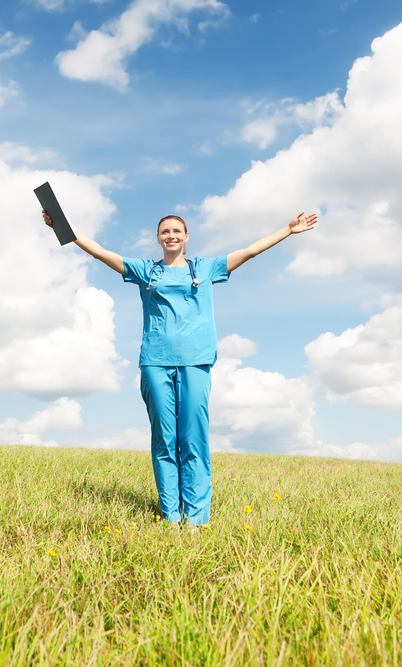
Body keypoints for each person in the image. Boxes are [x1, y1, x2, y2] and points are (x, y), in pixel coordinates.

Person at [42, 208, 318, 527]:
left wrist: (287, 230)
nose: (171, 235)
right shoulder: (146, 271)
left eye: (176, 231)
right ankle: (171, 516)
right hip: (155, 362)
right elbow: (101, 252)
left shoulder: (206, 268)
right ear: (158, 239)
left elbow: (250, 251)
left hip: (196, 361)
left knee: (193, 438)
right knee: (164, 439)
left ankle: (196, 519)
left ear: (186, 237)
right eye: (165, 232)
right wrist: (63, 226)